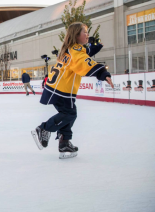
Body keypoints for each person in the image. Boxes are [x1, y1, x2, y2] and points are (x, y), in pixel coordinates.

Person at [31, 22, 114, 159]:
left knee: (70, 114)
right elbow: (84, 62)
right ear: (76, 35)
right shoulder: (75, 52)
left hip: (59, 88)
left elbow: (85, 54)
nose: (87, 35)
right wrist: (103, 73)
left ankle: (64, 143)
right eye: (84, 32)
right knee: (69, 114)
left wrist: (96, 46)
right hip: (62, 90)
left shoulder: (70, 49)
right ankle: (44, 128)